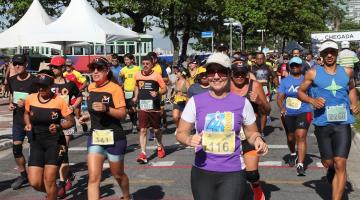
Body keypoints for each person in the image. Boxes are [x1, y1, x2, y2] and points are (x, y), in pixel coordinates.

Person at [176, 53, 268, 200]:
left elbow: (251, 133)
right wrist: (188, 139)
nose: (216, 76)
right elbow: (181, 132)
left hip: (233, 172)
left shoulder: (242, 103)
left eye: (222, 72)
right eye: (211, 71)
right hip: (202, 171)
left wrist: (257, 139)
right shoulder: (195, 101)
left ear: (229, 74)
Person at [298, 40, 359, 200]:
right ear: (322, 55)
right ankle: (331, 171)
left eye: (332, 52)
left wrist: (354, 103)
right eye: (326, 53)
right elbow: (300, 92)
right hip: (322, 123)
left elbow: (351, 88)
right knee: (328, 163)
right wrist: (312, 101)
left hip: (343, 123)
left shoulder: (347, 72)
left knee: (340, 162)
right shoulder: (313, 72)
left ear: (337, 53)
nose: (329, 55)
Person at [78, 57, 131, 200]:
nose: (95, 72)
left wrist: (107, 109)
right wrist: (87, 117)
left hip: (115, 137)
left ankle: (127, 196)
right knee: (94, 178)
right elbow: (94, 111)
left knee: (118, 174)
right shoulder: (90, 87)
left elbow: (122, 115)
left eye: (99, 69)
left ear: (107, 70)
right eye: (92, 69)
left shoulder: (115, 88)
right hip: (95, 137)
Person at [24, 70, 75, 200]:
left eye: (44, 86)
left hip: (55, 143)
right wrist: (28, 123)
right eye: (38, 86)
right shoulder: (30, 98)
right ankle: (55, 191)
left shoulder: (59, 101)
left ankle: (52, 193)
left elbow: (71, 121)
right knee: (35, 182)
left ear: (51, 86)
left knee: (49, 179)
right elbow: (26, 113)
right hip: (36, 142)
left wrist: (59, 126)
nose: (41, 88)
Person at [230, 61, 270, 200]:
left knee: (251, 173)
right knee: (233, 173)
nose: (240, 76)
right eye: (236, 73)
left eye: (243, 73)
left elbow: (267, 110)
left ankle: (257, 188)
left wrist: (259, 100)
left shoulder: (255, 85)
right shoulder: (225, 86)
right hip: (230, 134)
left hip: (251, 134)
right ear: (231, 73)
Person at [49, 56, 82, 198]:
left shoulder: (70, 83)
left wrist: (73, 106)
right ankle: (66, 174)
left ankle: (62, 183)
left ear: (63, 68)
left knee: (63, 149)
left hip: (66, 121)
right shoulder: (48, 83)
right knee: (54, 152)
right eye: (52, 67)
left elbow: (79, 96)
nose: (53, 69)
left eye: (55, 67)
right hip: (51, 121)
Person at [277, 57, 312, 175]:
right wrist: (282, 108)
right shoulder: (285, 81)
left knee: (301, 136)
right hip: (289, 113)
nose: (295, 67)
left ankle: (301, 164)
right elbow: (280, 97)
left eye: (297, 65)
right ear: (290, 67)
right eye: (292, 66)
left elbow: (312, 94)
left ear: (301, 67)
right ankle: (293, 154)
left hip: (304, 111)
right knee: (291, 137)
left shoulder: (306, 80)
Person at [7, 54, 37, 190]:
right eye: (15, 64)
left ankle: (36, 174)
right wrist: (10, 104)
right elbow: (12, 95)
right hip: (18, 120)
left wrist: (27, 102)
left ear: (26, 64)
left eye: (20, 64)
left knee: (35, 149)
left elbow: (41, 98)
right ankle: (23, 175)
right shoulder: (12, 79)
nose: (17, 66)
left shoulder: (35, 80)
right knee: (16, 149)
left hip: (32, 120)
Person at [133, 56, 167, 164]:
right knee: (143, 130)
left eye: (147, 63)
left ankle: (159, 145)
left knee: (156, 129)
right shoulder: (137, 74)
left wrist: (158, 93)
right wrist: (135, 97)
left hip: (154, 106)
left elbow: (164, 89)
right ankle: (143, 153)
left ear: (152, 64)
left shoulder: (156, 75)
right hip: (142, 105)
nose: (145, 65)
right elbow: (137, 86)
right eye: (143, 63)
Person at [251, 52, 278, 135]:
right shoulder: (251, 68)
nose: (259, 60)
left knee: (264, 111)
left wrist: (277, 87)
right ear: (255, 59)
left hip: (265, 91)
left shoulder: (268, 68)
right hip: (253, 90)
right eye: (258, 58)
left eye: (261, 58)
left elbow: (274, 77)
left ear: (264, 59)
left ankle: (261, 131)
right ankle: (253, 129)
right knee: (253, 111)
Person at [63, 58, 88, 132]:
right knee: (68, 113)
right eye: (66, 66)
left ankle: (83, 124)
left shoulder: (76, 73)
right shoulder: (64, 74)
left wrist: (78, 90)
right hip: (68, 97)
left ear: (71, 66)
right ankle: (73, 127)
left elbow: (85, 82)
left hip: (76, 97)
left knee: (77, 114)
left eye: (69, 66)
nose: (68, 67)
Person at [120, 53, 141, 134]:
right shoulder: (123, 70)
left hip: (136, 91)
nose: (126, 61)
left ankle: (135, 125)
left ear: (132, 60)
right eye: (125, 60)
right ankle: (134, 123)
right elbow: (121, 80)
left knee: (134, 108)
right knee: (130, 110)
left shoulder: (138, 68)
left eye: (127, 59)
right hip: (127, 91)